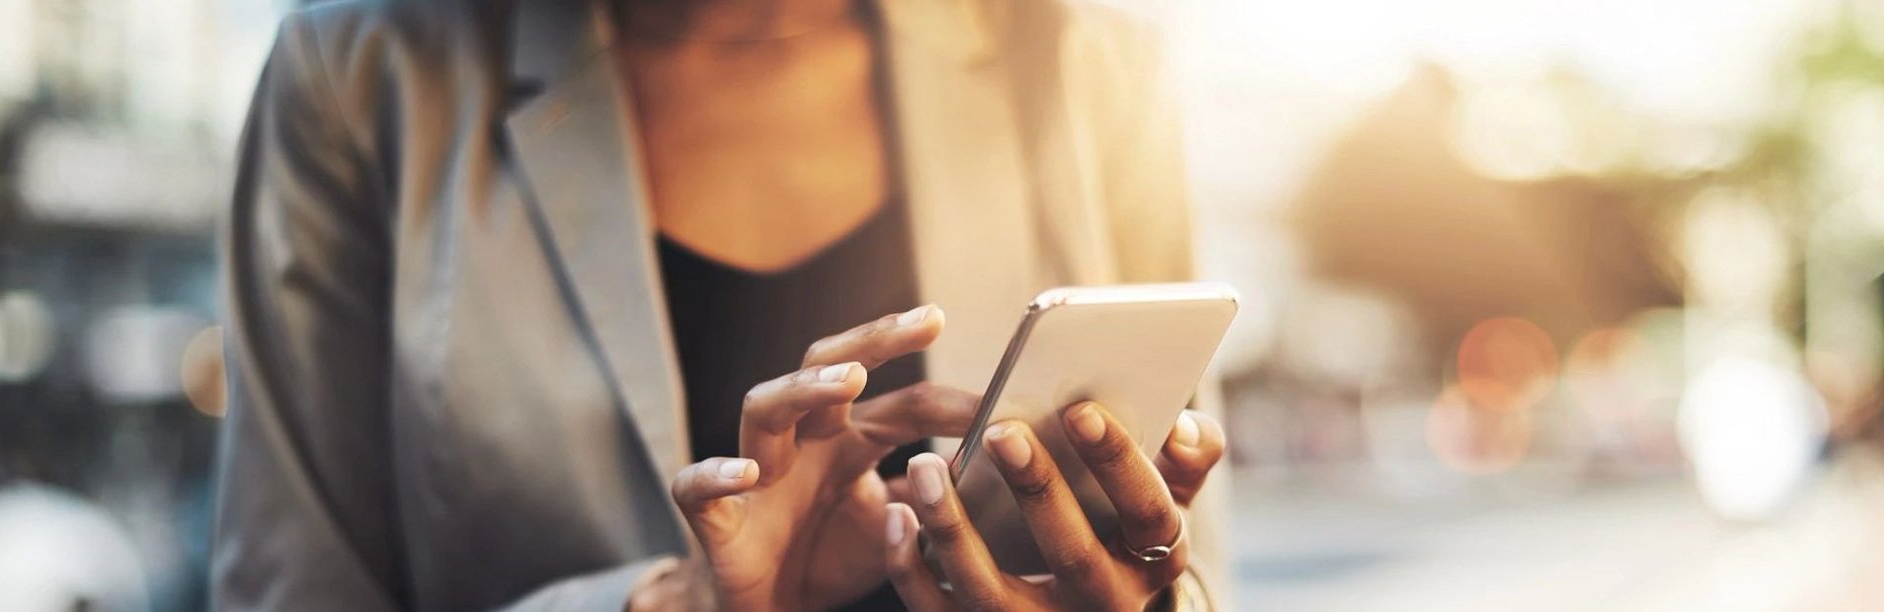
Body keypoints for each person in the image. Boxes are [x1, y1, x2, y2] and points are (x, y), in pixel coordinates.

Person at [213, 0, 1230, 609]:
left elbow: (1189, 573)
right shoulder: (361, 75)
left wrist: (1144, 600)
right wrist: (671, 605)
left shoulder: (1082, 55)